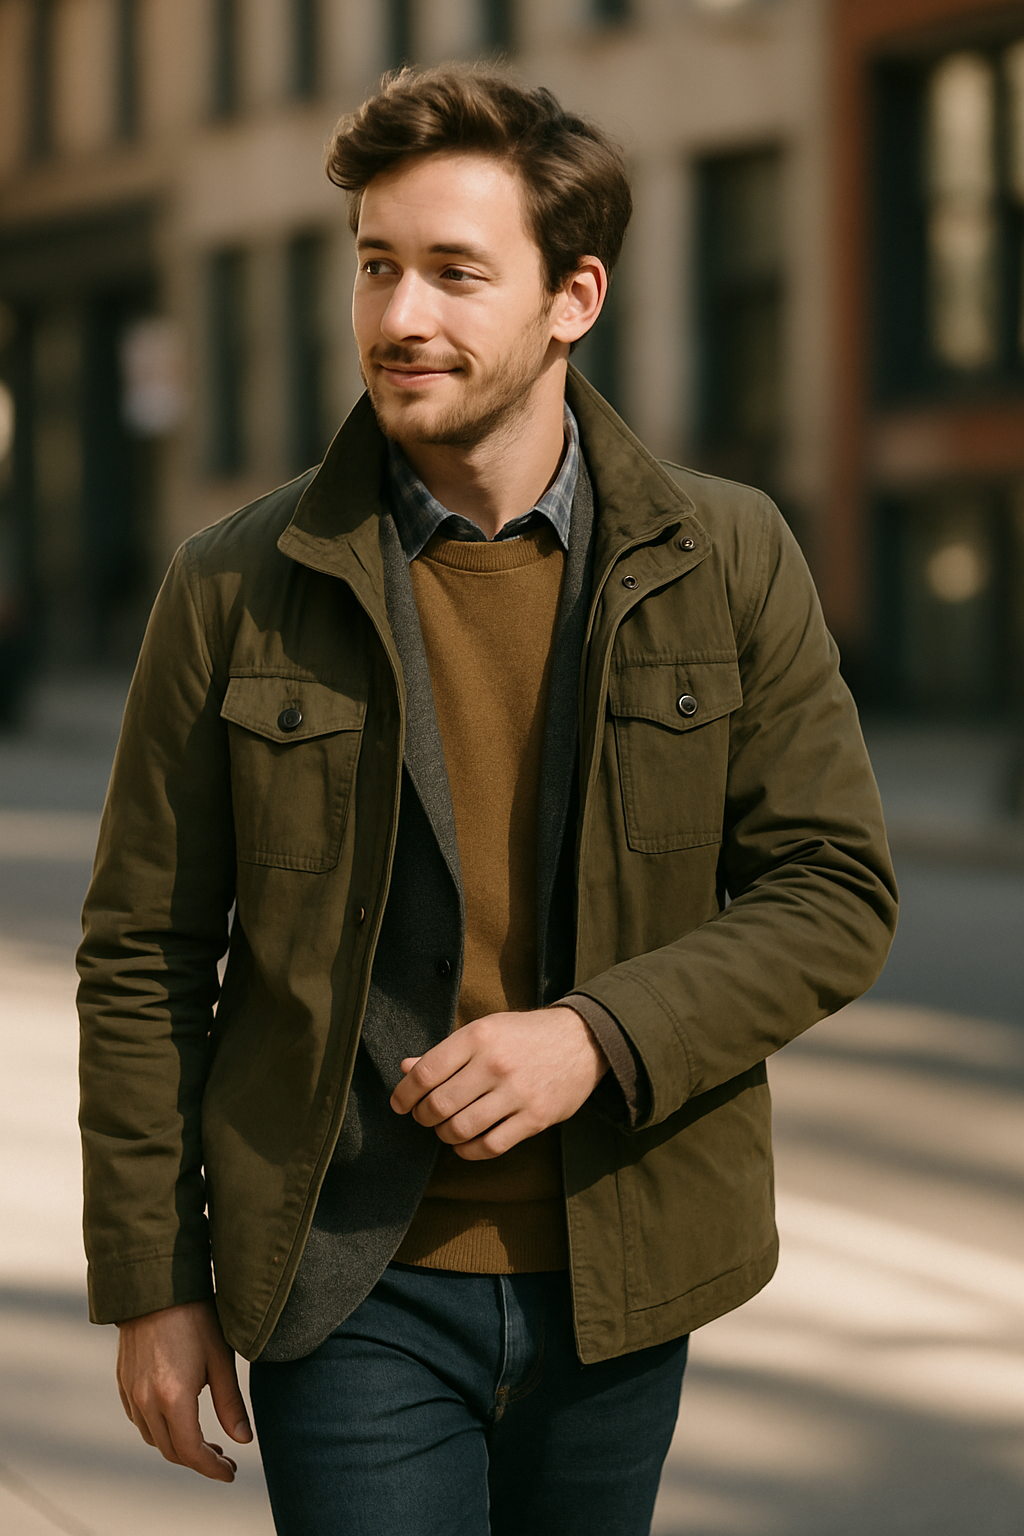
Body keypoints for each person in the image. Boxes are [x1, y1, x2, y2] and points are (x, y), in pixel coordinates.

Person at [77, 65, 897, 1536]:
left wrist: (599, 1037)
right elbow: (142, 956)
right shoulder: (230, 585)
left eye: (457, 274)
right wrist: (155, 1279)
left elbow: (835, 889)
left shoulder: (731, 553)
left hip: (623, 1276)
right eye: (378, 266)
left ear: (573, 298)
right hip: (344, 1281)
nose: (400, 317)